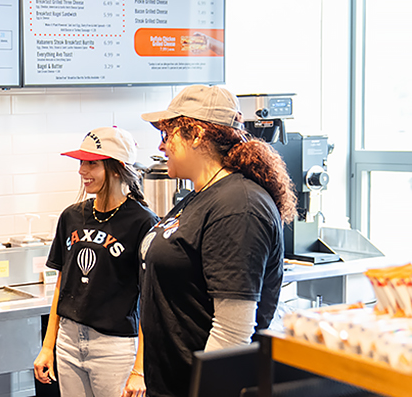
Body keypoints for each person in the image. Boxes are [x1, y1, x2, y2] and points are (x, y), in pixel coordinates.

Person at [138, 85, 296, 397]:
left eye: (167, 133)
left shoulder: (239, 206)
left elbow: (233, 331)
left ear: (195, 134)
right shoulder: (201, 196)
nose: (162, 144)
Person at [33, 127, 159, 397]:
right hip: (68, 341)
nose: (82, 171)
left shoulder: (143, 222)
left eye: (91, 163)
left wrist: (140, 368)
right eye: (81, 163)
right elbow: (62, 285)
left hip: (115, 348)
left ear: (116, 168)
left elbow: (150, 299)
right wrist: (48, 346)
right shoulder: (71, 216)